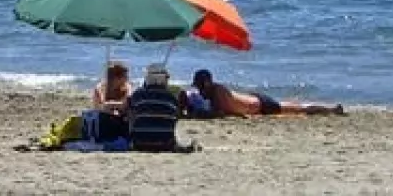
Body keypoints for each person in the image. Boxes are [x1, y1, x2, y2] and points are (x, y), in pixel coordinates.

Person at [191, 68, 344, 117]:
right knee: (292, 108)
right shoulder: (214, 91)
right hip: (253, 102)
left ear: (207, 83)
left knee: (297, 109)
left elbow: (221, 112)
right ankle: (329, 108)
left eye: (199, 87)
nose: (198, 90)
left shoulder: (218, 91)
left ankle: (331, 109)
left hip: (260, 105)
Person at [125, 63, 188, 152]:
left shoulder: (137, 95)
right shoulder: (172, 97)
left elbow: (129, 116)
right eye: (167, 78)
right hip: (166, 144)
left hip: (139, 143)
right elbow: (176, 118)